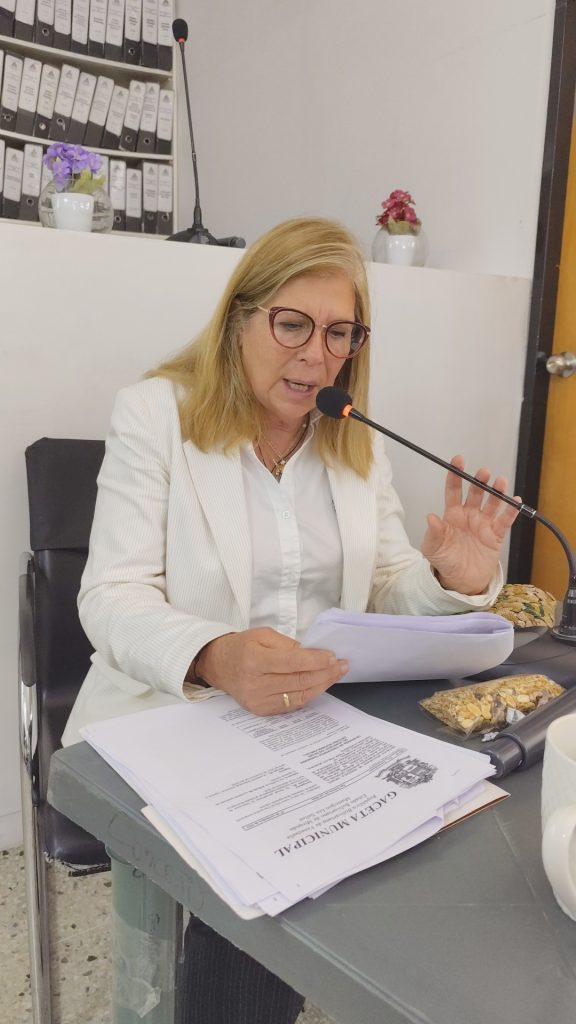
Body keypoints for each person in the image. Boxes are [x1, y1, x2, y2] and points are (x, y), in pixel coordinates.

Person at [63, 216, 518, 1024]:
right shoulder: (156, 414)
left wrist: (453, 577)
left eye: (340, 333)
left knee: (430, 839)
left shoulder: (354, 442)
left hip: (310, 724)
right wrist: (213, 654)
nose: (316, 355)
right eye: (292, 324)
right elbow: (112, 594)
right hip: (175, 714)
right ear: (240, 319)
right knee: (253, 907)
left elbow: (387, 587)